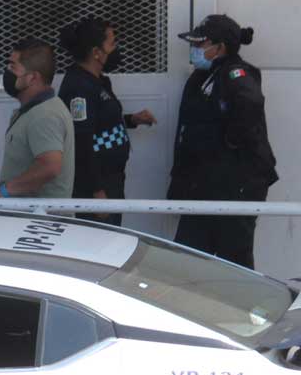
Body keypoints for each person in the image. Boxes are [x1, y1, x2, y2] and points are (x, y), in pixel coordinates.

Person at [169, 14, 278, 269]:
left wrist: (226, 144)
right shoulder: (202, 77)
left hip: (235, 188)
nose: (195, 50)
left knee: (234, 263)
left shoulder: (236, 74)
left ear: (220, 47)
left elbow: (248, 113)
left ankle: (242, 309)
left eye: (200, 44)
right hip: (204, 186)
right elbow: (188, 132)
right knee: (186, 258)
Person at [57, 17, 157, 224]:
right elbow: (82, 140)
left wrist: (131, 120)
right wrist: (97, 191)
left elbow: (100, 121)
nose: (116, 48)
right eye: (112, 43)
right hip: (96, 185)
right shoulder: (79, 87)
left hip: (111, 178)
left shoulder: (98, 81)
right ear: (96, 53)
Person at [0, 38, 75, 198]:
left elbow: (50, 166)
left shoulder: (45, 115)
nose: (7, 71)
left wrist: (3, 191)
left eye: (13, 66)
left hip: (40, 219)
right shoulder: (34, 110)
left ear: (32, 77)